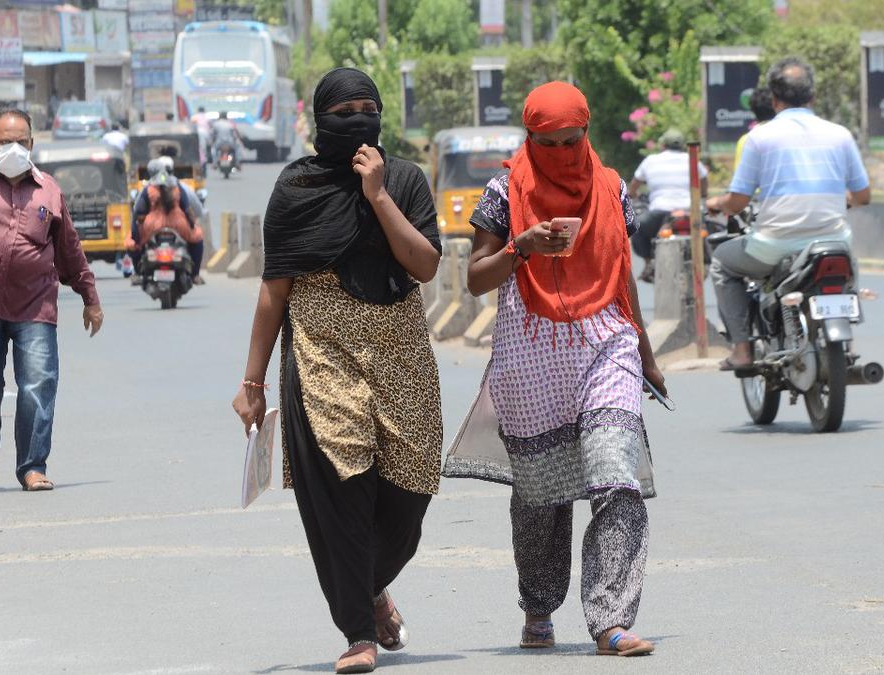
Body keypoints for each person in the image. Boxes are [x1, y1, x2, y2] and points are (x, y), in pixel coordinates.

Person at [230, 68, 443, 675]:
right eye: (342, 109)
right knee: (341, 495)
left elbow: (425, 264)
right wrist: (252, 382)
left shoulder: (403, 179)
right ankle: (357, 632)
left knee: (410, 497)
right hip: (323, 355)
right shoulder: (296, 187)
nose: (356, 118)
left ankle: (371, 589)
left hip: (401, 352)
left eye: (366, 106)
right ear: (321, 120)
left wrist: (377, 196)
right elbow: (274, 291)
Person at [445, 81, 665, 658]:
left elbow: (622, 275)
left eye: (575, 140)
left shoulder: (611, 188)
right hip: (531, 352)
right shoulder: (501, 190)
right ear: (530, 139)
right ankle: (539, 605)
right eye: (551, 143)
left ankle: (611, 619)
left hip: (605, 343)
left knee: (615, 474)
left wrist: (644, 351)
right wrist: (524, 246)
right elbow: (475, 279)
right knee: (542, 497)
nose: (566, 152)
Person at [706, 57, 871, 371]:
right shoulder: (840, 134)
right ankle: (847, 341)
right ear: (813, 97)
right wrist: (838, 199)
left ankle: (742, 349)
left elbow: (738, 202)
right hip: (833, 241)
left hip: (773, 245)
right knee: (846, 261)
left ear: (773, 99)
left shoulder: (759, 137)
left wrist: (716, 202)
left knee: (722, 264)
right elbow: (863, 196)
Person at [0, 108, 103, 491]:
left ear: (32, 144)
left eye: (20, 141)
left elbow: (69, 250)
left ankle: (32, 466)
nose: (13, 148)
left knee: (38, 386)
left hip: (35, 308)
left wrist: (90, 297)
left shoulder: (49, 191)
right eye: (5, 141)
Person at [627, 128, 708, 283]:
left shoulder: (650, 160)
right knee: (703, 230)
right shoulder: (692, 159)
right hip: (689, 212)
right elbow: (703, 181)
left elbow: (633, 187)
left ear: (663, 145)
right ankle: (703, 263)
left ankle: (648, 262)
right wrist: (703, 195)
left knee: (636, 228)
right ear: (683, 146)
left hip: (658, 213)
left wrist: (634, 195)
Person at [128, 160, 205, 285]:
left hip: (152, 226)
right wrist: (192, 225)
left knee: (131, 243)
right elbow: (187, 209)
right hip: (178, 224)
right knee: (198, 237)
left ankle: (137, 272)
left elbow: (139, 213)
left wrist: (135, 236)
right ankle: (195, 275)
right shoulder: (177, 186)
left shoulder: (148, 189)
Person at [734, 86, 776, 169]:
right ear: (776, 105)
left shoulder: (746, 140)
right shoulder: (791, 136)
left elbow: (740, 178)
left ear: (753, 110)